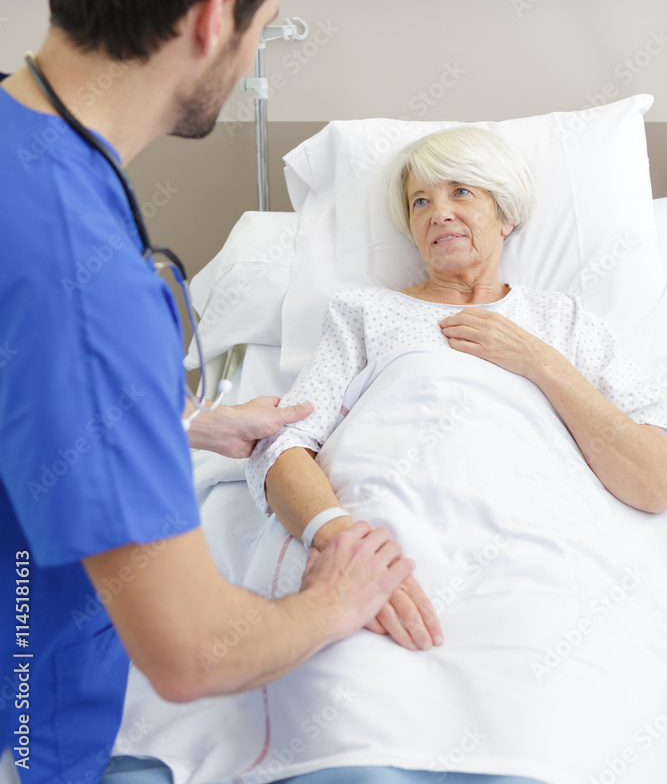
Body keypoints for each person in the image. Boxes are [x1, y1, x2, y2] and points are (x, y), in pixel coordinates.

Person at [0, 0, 419, 784]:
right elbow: (193, 653)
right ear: (213, 15)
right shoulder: (90, 282)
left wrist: (164, 421)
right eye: (262, 31)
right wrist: (333, 599)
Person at [242, 124, 667, 784]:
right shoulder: (362, 313)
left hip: (538, 551)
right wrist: (338, 538)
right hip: (385, 545)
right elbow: (284, 445)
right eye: (418, 202)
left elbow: (652, 479)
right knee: (354, 717)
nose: (437, 212)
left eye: (460, 192)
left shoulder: (565, 324)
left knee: (550, 714)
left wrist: (540, 364)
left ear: (504, 213)